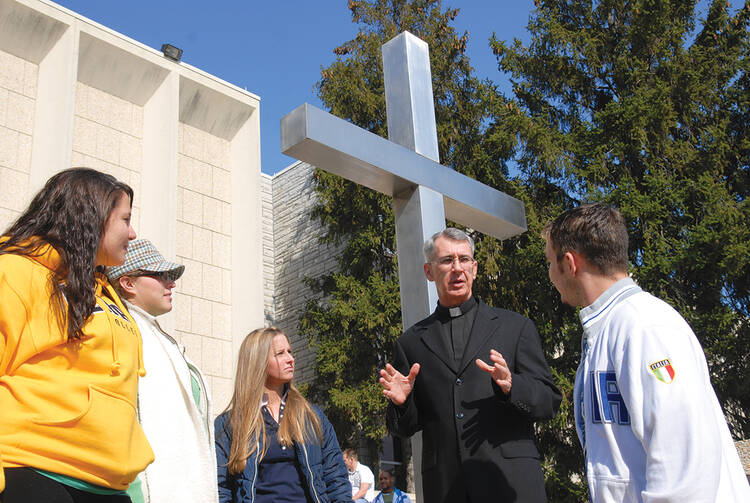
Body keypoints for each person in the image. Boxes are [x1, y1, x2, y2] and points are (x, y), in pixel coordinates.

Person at [542, 202, 750, 502]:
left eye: (550, 261)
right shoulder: (608, 331)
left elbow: (683, 463)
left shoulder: (645, 326)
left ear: (570, 264)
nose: (550, 273)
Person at [0, 168, 153, 502]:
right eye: (125, 220)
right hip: (30, 468)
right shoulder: (13, 272)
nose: (133, 232)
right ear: (92, 217)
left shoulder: (103, 292)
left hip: (107, 480)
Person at [378, 227, 561, 503]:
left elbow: (549, 400)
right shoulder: (411, 343)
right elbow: (402, 428)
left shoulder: (515, 327)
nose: (457, 268)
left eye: (464, 260)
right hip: (447, 487)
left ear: (474, 269)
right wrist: (403, 404)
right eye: (447, 260)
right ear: (429, 272)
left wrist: (512, 387)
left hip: (511, 483)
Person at [106, 239, 218, 503]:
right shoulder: (119, 333)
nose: (172, 283)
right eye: (161, 275)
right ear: (127, 283)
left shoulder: (161, 339)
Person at [215, 327, 351, 503]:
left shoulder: (312, 417)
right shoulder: (229, 424)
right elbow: (220, 488)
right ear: (258, 362)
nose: (291, 359)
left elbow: (336, 477)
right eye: (280, 353)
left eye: (290, 352)